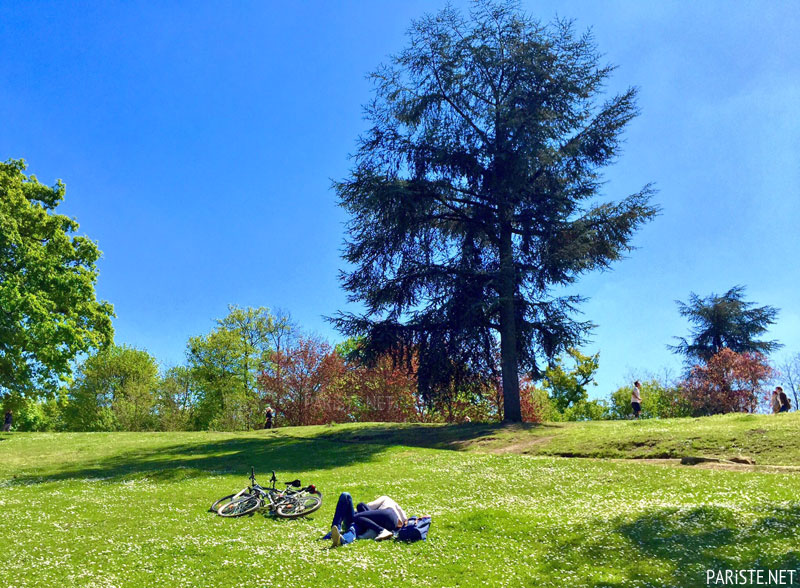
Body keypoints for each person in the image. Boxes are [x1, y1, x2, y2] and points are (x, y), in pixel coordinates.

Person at [325, 493, 407, 547]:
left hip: (371, 523)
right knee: (346, 495)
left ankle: (342, 539)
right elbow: (405, 519)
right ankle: (336, 530)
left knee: (357, 516)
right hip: (384, 522)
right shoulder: (395, 508)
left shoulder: (385, 499)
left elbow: (368, 506)